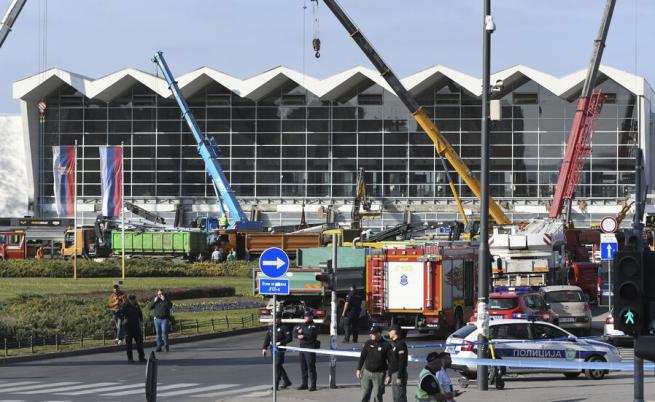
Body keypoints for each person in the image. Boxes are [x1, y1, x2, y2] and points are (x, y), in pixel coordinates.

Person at [357, 325, 391, 402]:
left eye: (373, 333)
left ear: (379, 334)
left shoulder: (386, 345)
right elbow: (362, 356)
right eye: (370, 333)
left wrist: (389, 375)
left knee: (378, 395)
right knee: (365, 394)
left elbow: (391, 361)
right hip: (367, 373)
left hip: (379, 374)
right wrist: (358, 369)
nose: (370, 335)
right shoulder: (368, 343)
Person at [261, 317, 293, 390]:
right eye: (274, 318)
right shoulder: (271, 327)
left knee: (277, 365)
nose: (275, 320)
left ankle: (276, 385)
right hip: (273, 349)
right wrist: (264, 348)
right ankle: (286, 380)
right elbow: (268, 338)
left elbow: (289, 338)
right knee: (277, 365)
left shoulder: (284, 327)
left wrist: (281, 342)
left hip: (280, 349)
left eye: (277, 318)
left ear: (280, 319)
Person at [295, 311, 319, 391]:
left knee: (311, 366)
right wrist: (298, 335)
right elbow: (294, 332)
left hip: (310, 347)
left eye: (308, 316)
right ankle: (304, 384)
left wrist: (303, 334)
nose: (306, 317)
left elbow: (311, 334)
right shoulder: (302, 325)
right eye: (305, 316)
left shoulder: (314, 325)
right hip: (302, 347)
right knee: (303, 366)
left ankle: (313, 385)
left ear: (312, 316)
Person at [120, 294, 146, 363]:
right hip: (128, 327)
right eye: (132, 300)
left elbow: (140, 314)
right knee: (129, 344)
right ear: (129, 300)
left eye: (134, 299)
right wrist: (123, 319)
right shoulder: (125, 306)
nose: (133, 301)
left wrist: (141, 321)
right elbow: (120, 313)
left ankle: (141, 357)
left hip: (136, 326)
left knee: (140, 342)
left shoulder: (137, 306)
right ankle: (130, 358)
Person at [386, 324, 408, 402]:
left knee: (400, 397)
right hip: (394, 373)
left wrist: (399, 376)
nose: (388, 333)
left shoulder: (401, 344)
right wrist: (389, 375)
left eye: (390, 331)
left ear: (395, 332)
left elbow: (402, 361)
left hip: (399, 373)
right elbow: (391, 362)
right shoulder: (393, 344)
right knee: (396, 397)